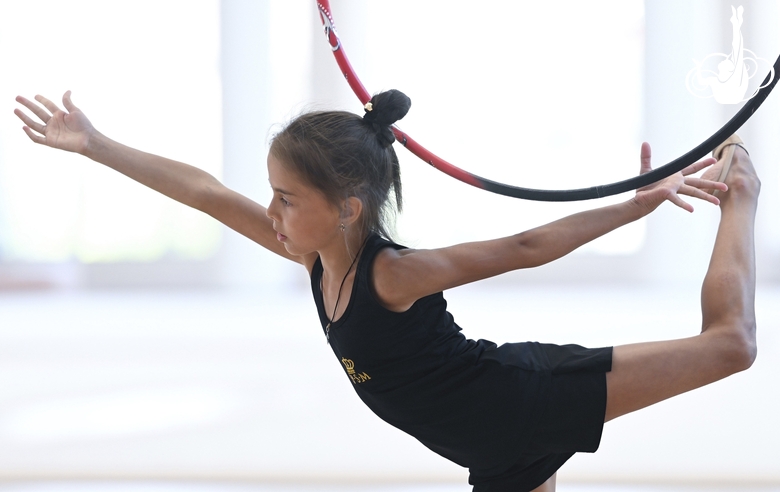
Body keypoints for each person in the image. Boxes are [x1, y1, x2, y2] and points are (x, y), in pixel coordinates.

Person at [14, 90, 759, 492]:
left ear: (348, 208)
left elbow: (523, 247)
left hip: (521, 402)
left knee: (730, 345)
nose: (270, 213)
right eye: (272, 196)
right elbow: (205, 194)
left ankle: (743, 193)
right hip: (491, 450)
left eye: (285, 199)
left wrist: (636, 203)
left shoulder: (390, 273)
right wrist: (98, 144)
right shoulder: (310, 254)